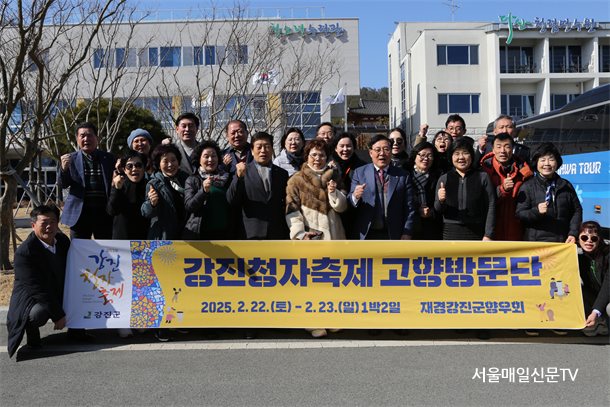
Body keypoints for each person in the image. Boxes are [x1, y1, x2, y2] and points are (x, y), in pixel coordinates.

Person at [7, 205, 93, 358]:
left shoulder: (62, 240)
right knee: (36, 315)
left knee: (84, 293)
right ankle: (33, 338)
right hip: (32, 298)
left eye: (53, 222)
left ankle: (76, 332)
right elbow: (36, 288)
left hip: (58, 289)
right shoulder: (24, 253)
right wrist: (58, 314)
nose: (49, 226)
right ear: (33, 225)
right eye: (44, 223)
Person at [347, 134, 415, 240]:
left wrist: (407, 232)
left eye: (386, 149)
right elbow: (349, 201)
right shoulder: (359, 173)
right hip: (367, 234)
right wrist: (355, 196)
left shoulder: (403, 175)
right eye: (377, 150)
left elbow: (409, 208)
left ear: (391, 151)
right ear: (370, 152)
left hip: (394, 235)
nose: (382, 153)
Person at [226, 131, 290, 241]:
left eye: (267, 147)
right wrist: (239, 178)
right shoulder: (243, 172)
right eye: (259, 147)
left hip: (277, 232)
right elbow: (231, 199)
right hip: (251, 233)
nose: (263, 151)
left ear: (272, 150)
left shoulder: (282, 174)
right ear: (252, 151)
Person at [515, 142, 582, 243]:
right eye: (542, 160)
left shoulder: (566, 185)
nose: (547, 163)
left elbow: (576, 211)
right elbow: (520, 213)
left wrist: (573, 233)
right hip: (537, 244)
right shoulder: (527, 186)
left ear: (557, 162)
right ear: (536, 162)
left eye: (551, 159)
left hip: (562, 243)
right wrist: (536, 212)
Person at [58, 122, 115, 239]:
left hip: (104, 215)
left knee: (106, 248)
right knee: (79, 248)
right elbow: (63, 184)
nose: (86, 139)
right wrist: (64, 169)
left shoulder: (109, 158)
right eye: (82, 136)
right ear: (77, 139)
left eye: (89, 135)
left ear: (97, 138)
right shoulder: (70, 159)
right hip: (79, 216)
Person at [286, 139, 348, 241]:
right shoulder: (297, 179)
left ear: (326, 158)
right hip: (310, 236)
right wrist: (300, 234)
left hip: (335, 236)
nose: (318, 158)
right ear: (306, 157)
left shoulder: (335, 176)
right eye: (313, 155)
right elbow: (292, 209)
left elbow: (343, 208)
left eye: (322, 155)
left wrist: (334, 193)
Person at [434, 138, 496, 241]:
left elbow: (491, 206)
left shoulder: (482, 177)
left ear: (471, 156)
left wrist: (489, 234)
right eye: (456, 153)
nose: (461, 157)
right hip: (450, 233)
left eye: (465, 153)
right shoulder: (444, 178)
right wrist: (441, 201)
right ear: (451, 157)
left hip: (477, 232)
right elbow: (438, 209)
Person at [479, 133, 534, 241]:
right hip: (490, 234)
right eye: (499, 147)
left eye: (507, 146)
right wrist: (502, 190)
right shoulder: (484, 170)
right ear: (493, 149)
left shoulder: (524, 172)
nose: (503, 151)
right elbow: (482, 201)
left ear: (512, 149)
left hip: (517, 232)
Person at [183, 140, 234, 240]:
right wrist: (203, 192)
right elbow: (189, 206)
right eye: (206, 156)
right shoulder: (193, 179)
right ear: (199, 160)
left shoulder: (227, 178)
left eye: (214, 156)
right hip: (201, 235)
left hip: (226, 234)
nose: (210, 159)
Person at [142, 144, 189, 241]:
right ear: (158, 165)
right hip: (164, 237)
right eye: (165, 161)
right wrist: (152, 204)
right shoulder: (154, 183)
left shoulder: (187, 179)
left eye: (173, 160)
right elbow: (146, 212)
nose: (170, 164)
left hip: (186, 235)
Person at [106, 150, 150, 240]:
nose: (134, 169)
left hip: (146, 241)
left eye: (138, 165)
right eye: (129, 166)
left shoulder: (150, 186)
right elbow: (112, 211)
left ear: (145, 168)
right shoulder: (120, 184)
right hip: (122, 240)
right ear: (124, 170)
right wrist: (117, 189)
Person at [578, 221, 609, 337]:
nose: (589, 241)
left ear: (600, 240)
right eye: (584, 237)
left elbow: (607, 286)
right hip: (596, 296)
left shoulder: (608, 255)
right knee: (577, 291)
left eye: (594, 238)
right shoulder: (579, 256)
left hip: (607, 296)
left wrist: (595, 311)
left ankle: (597, 318)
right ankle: (600, 323)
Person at [407, 142, 443, 240]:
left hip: (431, 229)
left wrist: (432, 212)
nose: (426, 158)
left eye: (430, 156)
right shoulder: (405, 175)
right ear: (414, 156)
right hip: (408, 228)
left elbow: (444, 206)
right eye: (422, 155)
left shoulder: (439, 177)